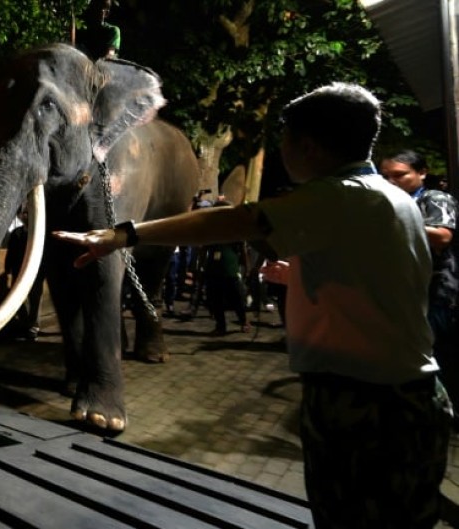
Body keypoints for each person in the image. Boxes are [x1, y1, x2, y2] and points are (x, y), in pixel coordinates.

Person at [53, 82, 452, 529]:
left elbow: (237, 220)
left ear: (309, 146)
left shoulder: (340, 195)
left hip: (364, 404)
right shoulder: (392, 200)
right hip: (410, 395)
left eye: (284, 141)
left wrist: (121, 235)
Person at [380, 149, 458, 419]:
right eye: (386, 176)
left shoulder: (433, 198)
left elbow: (442, 237)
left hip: (437, 293)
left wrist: (393, 220)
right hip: (408, 292)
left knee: (435, 357)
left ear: (421, 173)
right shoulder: (391, 201)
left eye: (399, 175)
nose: (391, 181)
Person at [201, 200, 250, 335]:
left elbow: (242, 248)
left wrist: (246, 267)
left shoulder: (234, 227)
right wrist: (200, 265)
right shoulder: (209, 227)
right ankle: (220, 325)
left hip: (230, 267)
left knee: (237, 297)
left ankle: (244, 321)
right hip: (213, 267)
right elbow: (203, 248)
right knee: (215, 299)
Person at [4, 204, 44, 341]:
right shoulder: (16, 233)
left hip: (34, 272)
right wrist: (8, 269)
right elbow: (10, 253)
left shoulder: (38, 232)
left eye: (28, 213)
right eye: (24, 213)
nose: (25, 216)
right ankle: (25, 323)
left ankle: (33, 327)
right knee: (18, 300)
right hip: (18, 272)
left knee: (35, 300)